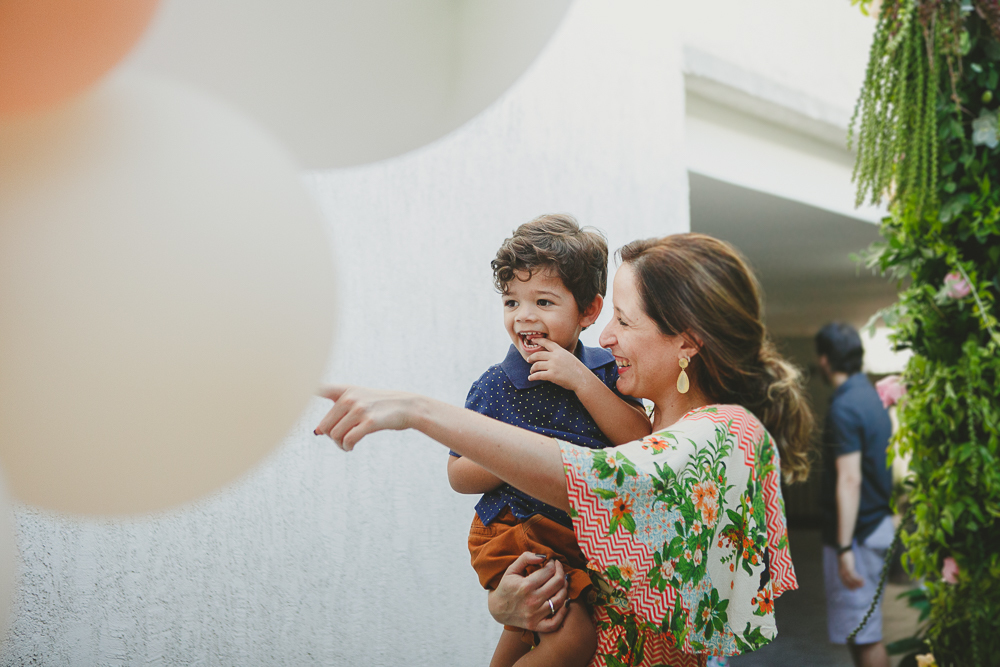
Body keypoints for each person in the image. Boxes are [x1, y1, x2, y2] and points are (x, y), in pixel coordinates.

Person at [315, 233, 813, 666]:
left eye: (623, 319)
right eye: (512, 301)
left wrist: (419, 410)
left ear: (687, 342)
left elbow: (601, 479)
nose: (605, 336)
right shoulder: (653, 421)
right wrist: (507, 605)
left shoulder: (723, 433)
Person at [448, 214, 651, 667]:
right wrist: (521, 449)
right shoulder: (495, 385)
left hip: (576, 536)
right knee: (571, 635)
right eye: (511, 302)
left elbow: (642, 441)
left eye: (542, 300)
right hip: (513, 531)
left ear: (588, 311)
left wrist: (582, 381)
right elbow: (457, 473)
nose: (524, 316)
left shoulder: (605, 371)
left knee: (530, 633)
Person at [815, 323, 894, 667]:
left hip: (858, 535)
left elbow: (849, 480)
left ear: (824, 361)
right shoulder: (872, 397)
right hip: (877, 522)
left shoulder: (844, 408)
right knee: (864, 630)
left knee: (864, 635)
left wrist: (844, 547)